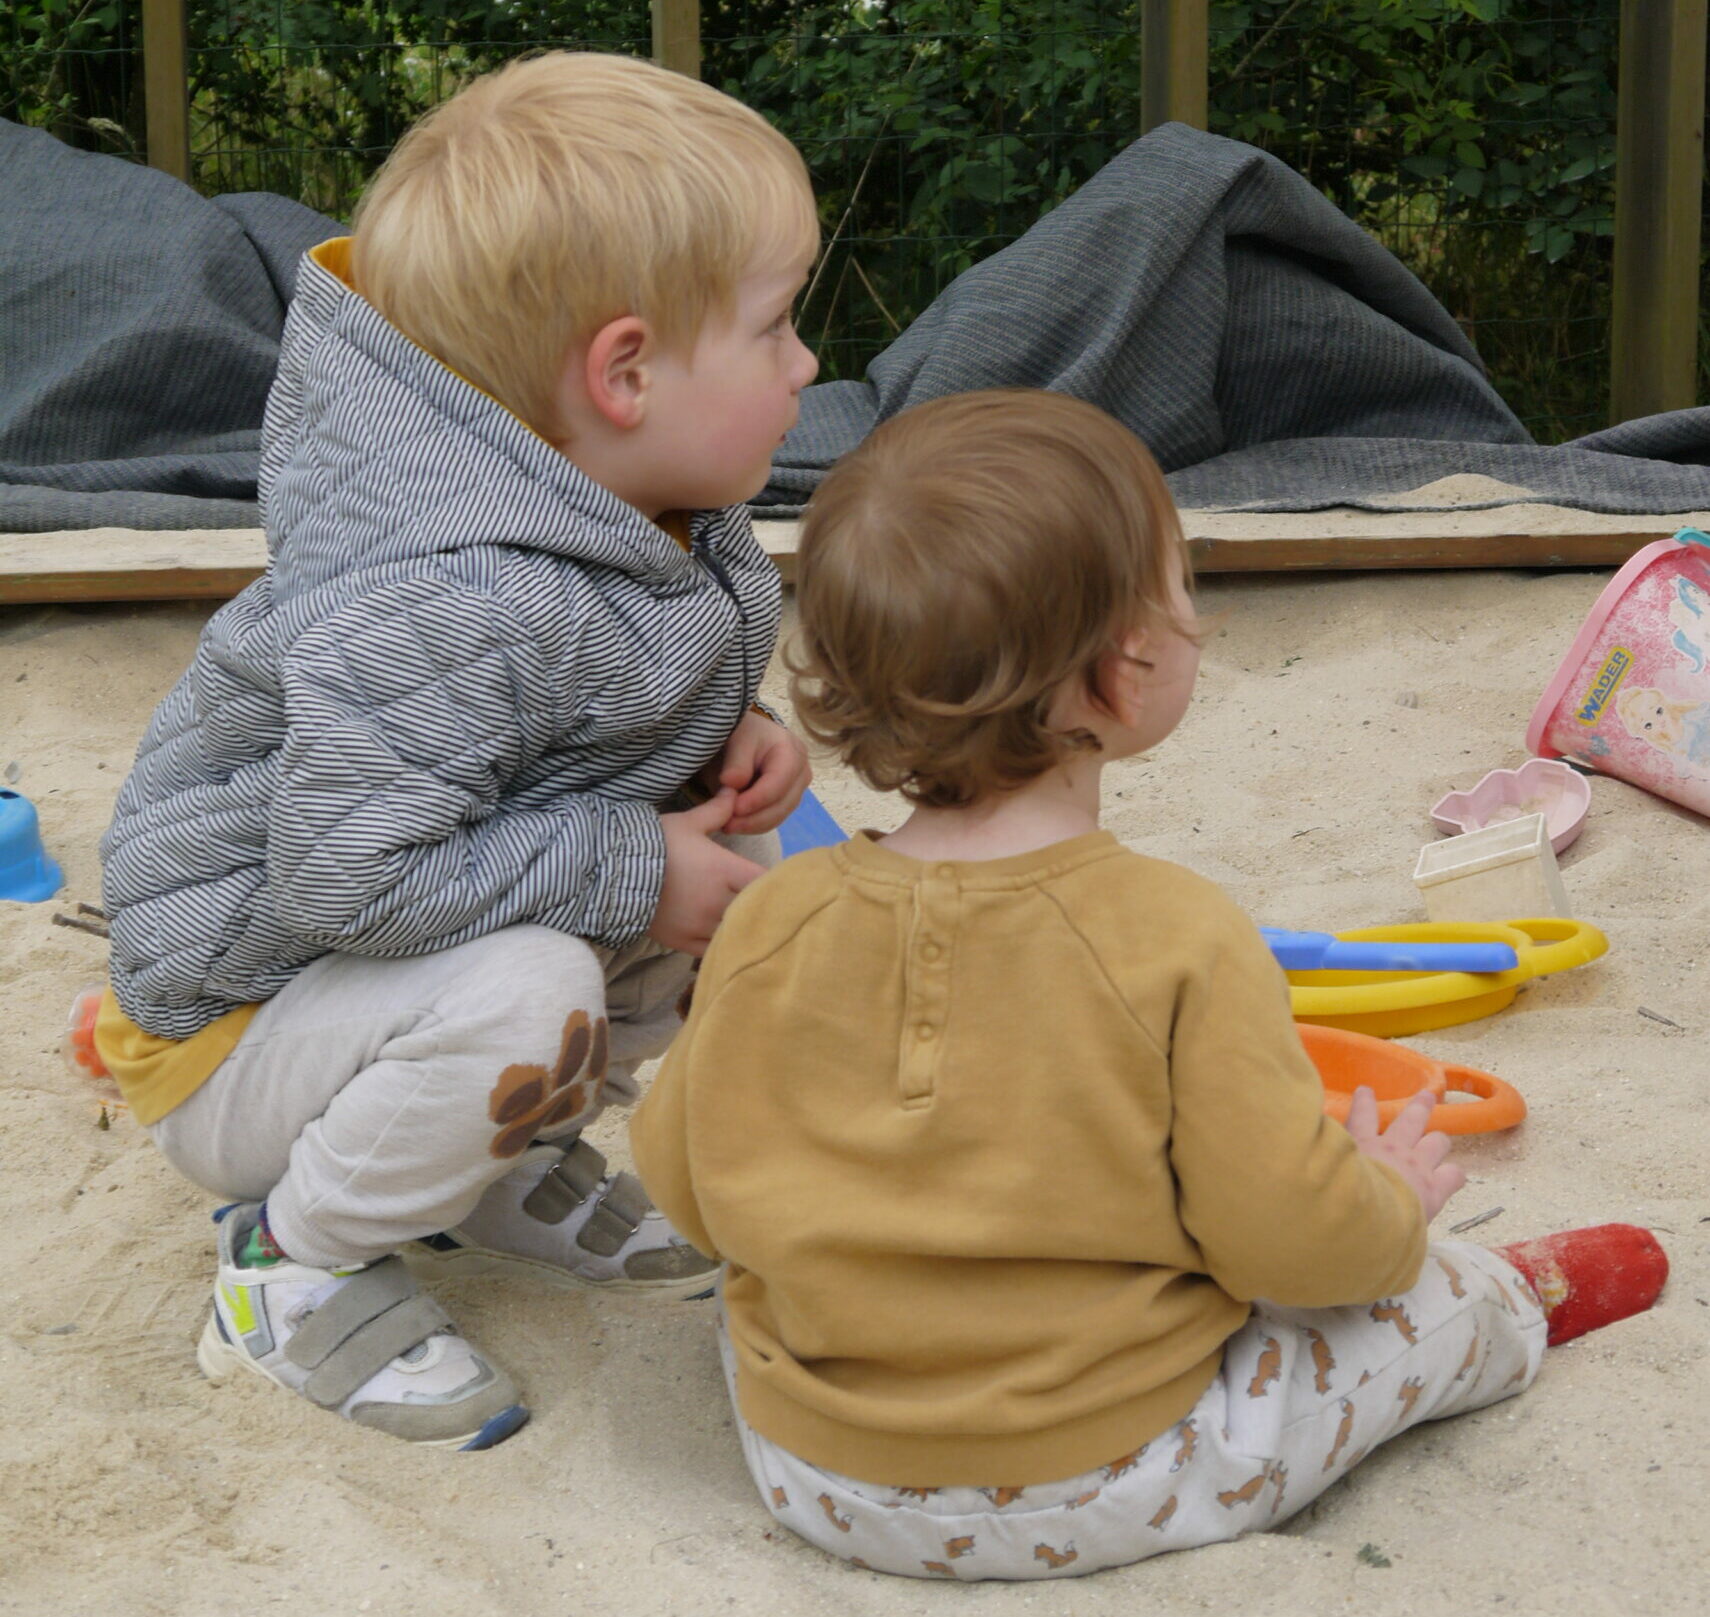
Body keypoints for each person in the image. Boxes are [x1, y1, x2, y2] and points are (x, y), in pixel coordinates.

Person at [629, 389, 1669, 1578]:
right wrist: (1384, 1204)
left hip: (817, 1476)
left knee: (743, 1304)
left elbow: (686, 1184)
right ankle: (1519, 1301)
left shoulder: (771, 919)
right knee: (1424, 1304)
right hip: (1118, 1471)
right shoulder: (1178, 937)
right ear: (1125, 674)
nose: (1203, 622)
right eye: (1182, 588)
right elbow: (1287, 1247)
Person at [93, 51, 821, 1450]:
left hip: (372, 969)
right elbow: (346, 885)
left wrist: (732, 742)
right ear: (625, 372)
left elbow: (565, 727)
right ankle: (289, 1257)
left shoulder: (641, 512)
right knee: (546, 971)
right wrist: (628, 857)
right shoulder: (440, 594)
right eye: (777, 327)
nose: (806, 366)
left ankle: (488, 1165)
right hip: (239, 1026)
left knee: (724, 866)